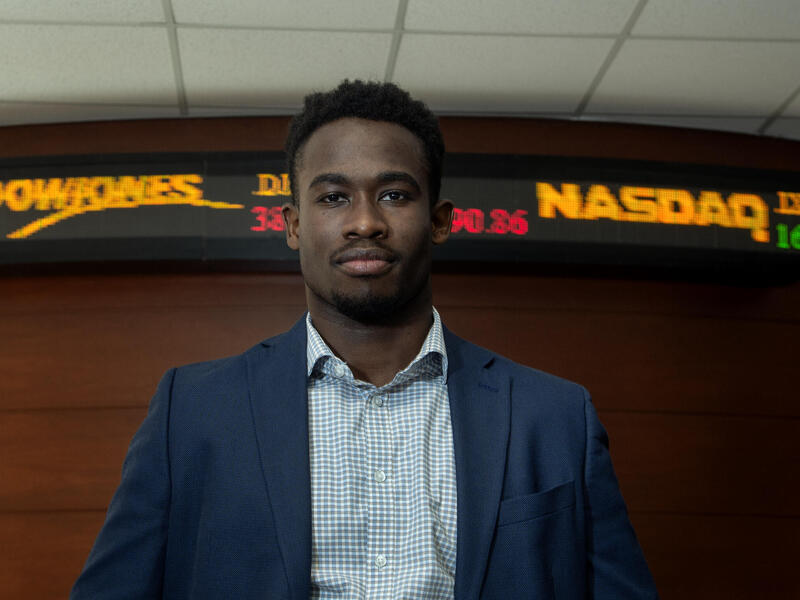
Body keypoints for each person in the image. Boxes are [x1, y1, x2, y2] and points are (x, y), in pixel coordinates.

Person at [72, 80, 658, 599]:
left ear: (441, 220)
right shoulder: (192, 410)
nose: (364, 222)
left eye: (395, 194)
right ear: (294, 225)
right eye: (332, 197)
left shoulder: (554, 417)